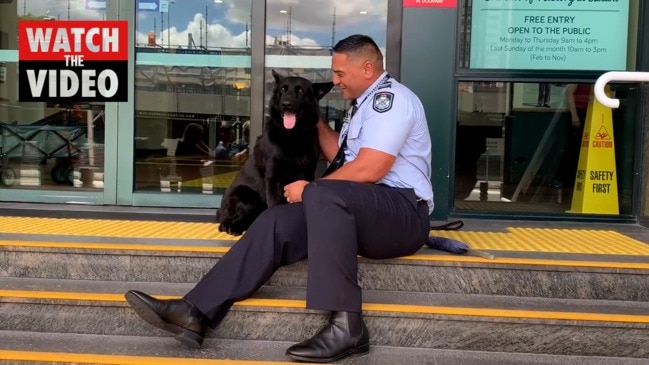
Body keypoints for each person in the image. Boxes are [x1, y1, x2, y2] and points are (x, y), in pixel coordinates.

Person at [124, 34, 434, 363]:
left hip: (402, 214)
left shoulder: (391, 100)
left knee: (321, 192)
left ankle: (348, 327)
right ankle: (195, 311)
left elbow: (371, 168)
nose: (335, 80)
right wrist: (310, 117)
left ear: (368, 68)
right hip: (358, 209)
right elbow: (340, 159)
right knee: (276, 219)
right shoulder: (361, 108)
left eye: (340, 73)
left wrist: (312, 189)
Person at [551, 83, 591, 190]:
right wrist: (574, 115)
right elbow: (569, 93)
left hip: (590, 113)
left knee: (582, 148)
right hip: (579, 113)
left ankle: (573, 179)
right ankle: (560, 178)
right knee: (573, 147)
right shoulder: (581, 75)